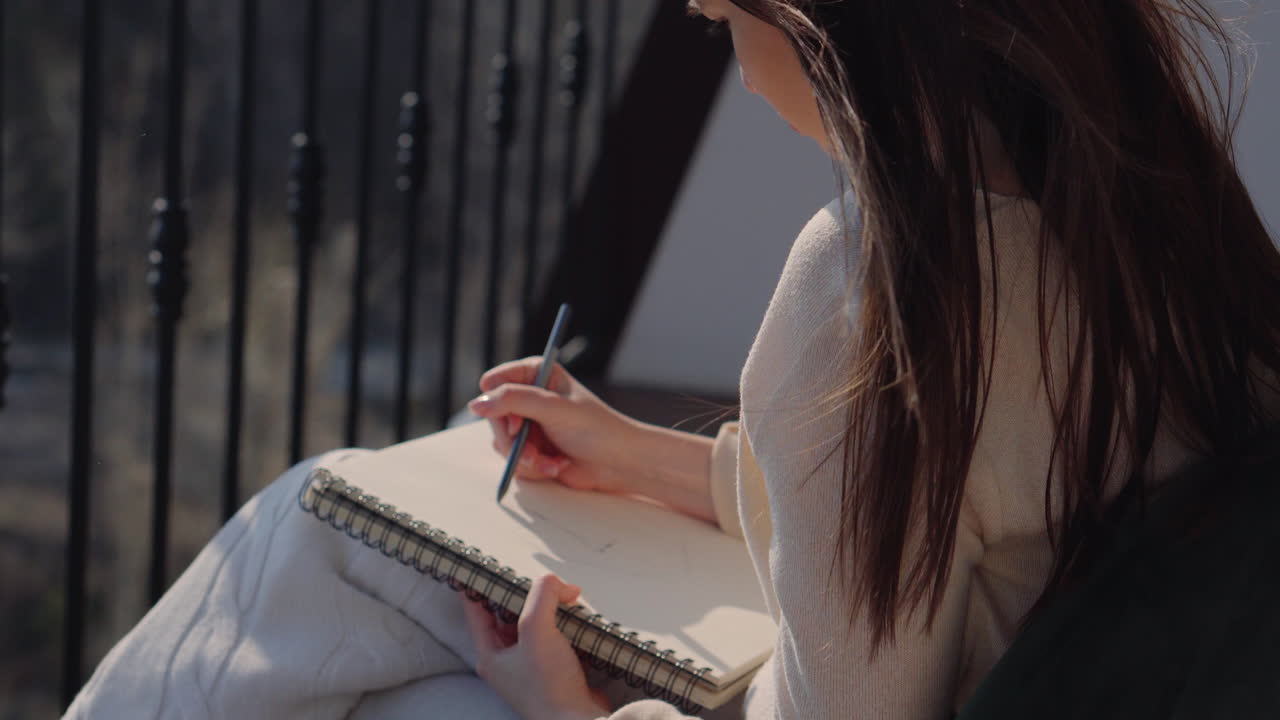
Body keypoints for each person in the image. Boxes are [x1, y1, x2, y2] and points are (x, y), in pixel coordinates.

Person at [64, 1, 1280, 719]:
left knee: (320, 536)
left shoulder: (882, 296)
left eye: (719, 18)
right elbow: (976, 505)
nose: (714, 35)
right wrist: (653, 462)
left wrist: (564, 708)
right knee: (340, 536)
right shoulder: (1150, 204)